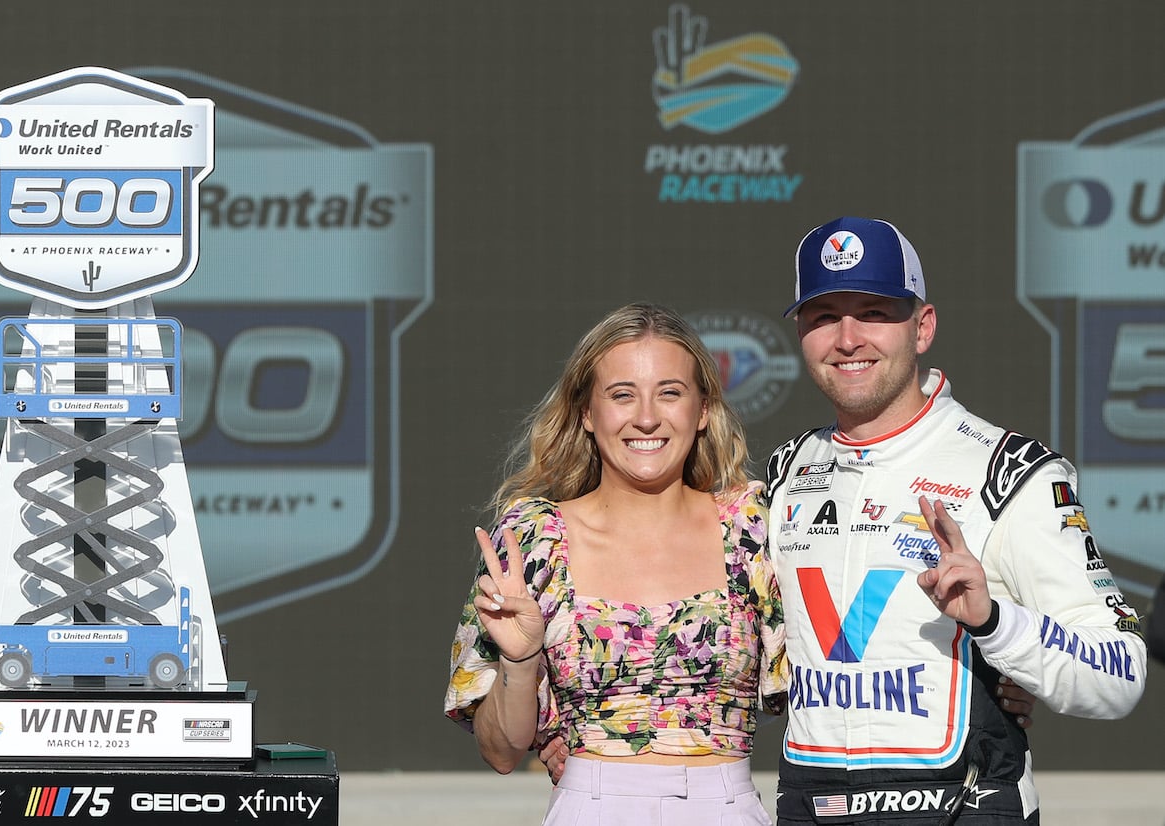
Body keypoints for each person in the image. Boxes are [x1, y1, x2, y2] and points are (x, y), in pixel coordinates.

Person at [761, 216, 1146, 824]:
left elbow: (1119, 672)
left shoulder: (1010, 470)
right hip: (813, 807)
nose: (848, 337)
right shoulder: (787, 472)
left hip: (965, 808)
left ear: (924, 326)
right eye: (824, 316)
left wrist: (997, 624)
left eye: (876, 311)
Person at [444, 303, 788, 825]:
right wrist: (520, 660)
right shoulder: (533, 541)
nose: (646, 417)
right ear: (586, 412)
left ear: (703, 410)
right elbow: (501, 752)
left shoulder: (752, 529)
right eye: (621, 394)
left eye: (669, 392)